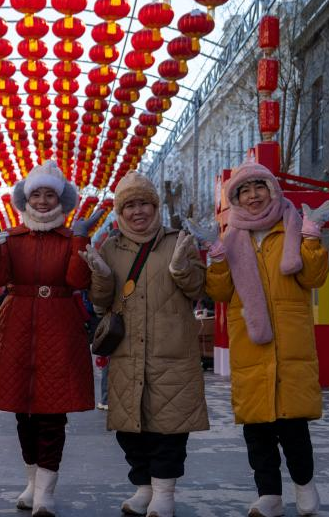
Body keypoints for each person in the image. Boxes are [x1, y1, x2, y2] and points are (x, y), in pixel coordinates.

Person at [190, 160, 329, 517]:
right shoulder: (232, 237)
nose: (253, 196)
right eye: (245, 191)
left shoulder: (291, 225)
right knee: (257, 429)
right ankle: (268, 494)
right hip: (251, 344)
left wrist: (312, 235)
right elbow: (221, 291)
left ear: (272, 190)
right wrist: (215, 256)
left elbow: (314, 277)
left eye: (260, 188)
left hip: (291, 343)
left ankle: (305, 487)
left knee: (293, 426)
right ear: (237, 199)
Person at [0, 160, 101, 517]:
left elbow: (77, 281)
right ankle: (32, 482)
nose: (41, 200)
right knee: (23, 411)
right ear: (25, 198)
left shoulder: (70, 239)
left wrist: (82, 237)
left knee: (53, 413)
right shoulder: (12, 238)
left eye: (48, 194)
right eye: (35, 193)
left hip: (60, 325)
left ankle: (45, 492)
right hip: (17, 324)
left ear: (60, 199)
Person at [82, 171, 208, 517]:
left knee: (169, 429)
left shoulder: (177, 241)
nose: (138, 212)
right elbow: (100, 302)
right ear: (120, 212)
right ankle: (144, 488)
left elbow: (198, 289)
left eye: (145, 204)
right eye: (130, 206)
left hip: (171, 351)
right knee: (129, 428)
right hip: (127, 353)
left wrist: (184, 267)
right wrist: (101, 278)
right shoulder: (110, 246)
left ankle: (164, 493)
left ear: (155, 206)